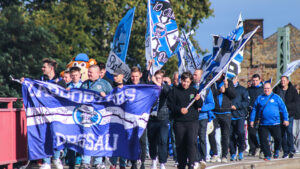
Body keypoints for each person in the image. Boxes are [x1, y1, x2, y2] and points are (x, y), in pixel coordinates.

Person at [21, 58, 66, 169]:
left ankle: (56, 158)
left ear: (51, 68)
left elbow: (64, 97)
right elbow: (31, 86)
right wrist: (25, 81)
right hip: (43, 114)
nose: (42, 69)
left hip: (56, 114)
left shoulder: (60, 81)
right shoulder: (41, 79)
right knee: (44, 135)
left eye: (44, 67)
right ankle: (46, 162)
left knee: (56, 136)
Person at [167, 71, 203, 169]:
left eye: (187, 82)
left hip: (192, 122)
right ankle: (181, 164)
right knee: (180, 144)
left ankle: (191, 163)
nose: (185, 84)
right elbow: (170, 105)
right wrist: (179, 110)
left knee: (191, 142)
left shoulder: (194, 91)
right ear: (181, 80)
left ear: (190, 81)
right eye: (183, 81)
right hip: (179, 122)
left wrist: (198, 99)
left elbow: (199, 105)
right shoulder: (174, 91)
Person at [80, 65, 113, 169]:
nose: (89, 74)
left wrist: (105, 96)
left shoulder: (105, 84)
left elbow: (113, 99)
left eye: (91, 72)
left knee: (99, 137)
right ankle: (85, 161)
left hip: (100, 116)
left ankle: (98, 162)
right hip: (86, 116)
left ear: (98, 73)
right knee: (87, 138)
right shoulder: (84, 84)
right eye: (88, 72)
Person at [250, 82, 289, 161]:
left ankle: (276, 150)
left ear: (271, 89)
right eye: (265, 88)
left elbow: (283, 109)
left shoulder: (276, 98)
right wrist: (252, 120)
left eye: (268, 88)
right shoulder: (259, 98)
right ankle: (267, 154)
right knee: (263, 140)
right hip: (263, 123)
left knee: (278, 138)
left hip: (275, 123)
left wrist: (286, 119)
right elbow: (254, 109)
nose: (266, 90)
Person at [148, 70, 171, 169]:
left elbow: (167, 92)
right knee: (152, 141)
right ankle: (153, 159)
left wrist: (158, 83)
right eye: (156, 78)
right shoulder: (150, 87)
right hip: (152, 118)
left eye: (159, 78)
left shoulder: (166, 87)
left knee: (163, 140)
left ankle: (162, 162)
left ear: (163, 79)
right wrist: (148, 67)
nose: (157, 80)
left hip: (163, 118)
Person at [127, 66, 149, 169]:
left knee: (142, 141)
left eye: (136, 76)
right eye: (132, 76)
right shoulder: (127, 86)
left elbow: (146, 77)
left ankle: (142, 162)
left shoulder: (143, 85)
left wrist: (148, 67)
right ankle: (133, 162)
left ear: (139, 75)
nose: (134, 78)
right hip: (130, 118)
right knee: (132, 140)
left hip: (142, 118)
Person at [210, 75, 236, 163]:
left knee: (225, 135)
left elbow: (233, 95)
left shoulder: (228, 82)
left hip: (226, 113)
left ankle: (224, 155)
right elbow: (210, 94)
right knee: (211, 133)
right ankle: (215, 154)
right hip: (215, 112)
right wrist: (219, 91)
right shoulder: (212, 82)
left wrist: (227, 88)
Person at [193, 69, 215, 169]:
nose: (194, 76)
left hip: (202, 117)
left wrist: (202, 108)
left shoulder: (206, 89)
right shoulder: (191, 87)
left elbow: (212, 104)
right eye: (193, 74)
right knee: (193, 139)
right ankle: (195, 158)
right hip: (192, 117)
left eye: (196, 75)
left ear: (201, 76)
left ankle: (202, 158)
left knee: (202, 138)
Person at [273, 76, 299, 158]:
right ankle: (285, 151)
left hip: (289, 114)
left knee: (289, 131)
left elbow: (296, 103)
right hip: (279, 114)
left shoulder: (292, 90)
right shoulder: (277, 90)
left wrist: (285, 107)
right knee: (282, 133)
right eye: (281, 80)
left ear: (288, 81)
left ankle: (291, 149)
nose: (282, 82)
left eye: (284, 80)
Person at [109, 68, 127, 169]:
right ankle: (113, 163)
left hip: (124, 119)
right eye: (114, 76)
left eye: (117, 75)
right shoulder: (110, 86)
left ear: (122, 76)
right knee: (114, 142)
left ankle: (123, 164)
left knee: (123, 142)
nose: (114, 77)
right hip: (113, 118)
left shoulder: (127, 88)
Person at [229, 76, 249, 161]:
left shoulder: (242, 89)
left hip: (240, 115)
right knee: (230, 135)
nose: (231, 81)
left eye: (233, 79)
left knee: (240, 132)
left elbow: (246, 102)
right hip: (229, 116)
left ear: (237, 79)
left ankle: (241, 150)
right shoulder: (226, 89)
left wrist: (236, 106)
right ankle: (233, 153)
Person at [247, 74, 264, 157]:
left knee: (261, 132)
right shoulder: (249, 90)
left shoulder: (263, 90)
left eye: (256, 80)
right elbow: (246, 100)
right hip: (251, 114)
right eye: (253, 80)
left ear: (260, 80)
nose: (255, 82)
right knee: (251, 132)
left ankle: (261, 148)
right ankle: (253, 148)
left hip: (261, 114)